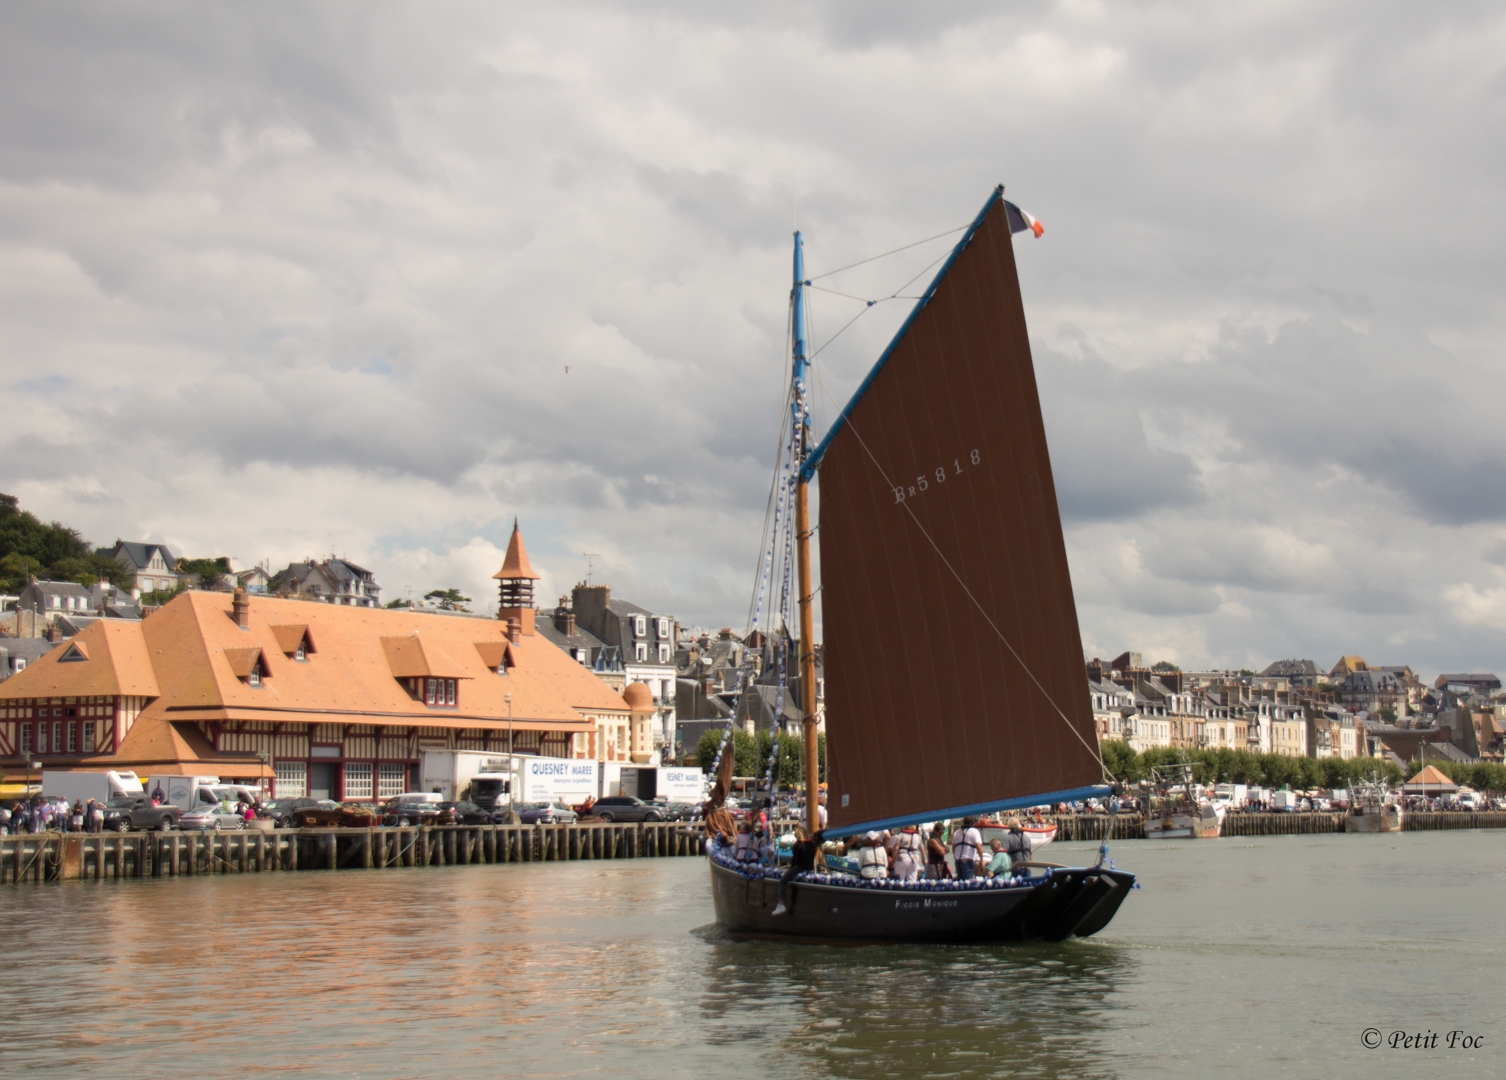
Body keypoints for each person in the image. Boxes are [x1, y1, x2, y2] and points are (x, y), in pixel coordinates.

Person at [771, 826, 821, 916]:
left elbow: (795, 860)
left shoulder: (798, 844)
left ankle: (781, 904)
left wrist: (791, 867)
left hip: (799, 868)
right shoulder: (812, 844)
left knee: (782, 882)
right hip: (810, 868)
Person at [951, 816, 984, 881]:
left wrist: (955, 856)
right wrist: (981, 859)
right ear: (973, 823)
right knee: (968, 882)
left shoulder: (957, 832)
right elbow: (978, 845)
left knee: (960, 881)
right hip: (967, 860)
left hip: (957, 860)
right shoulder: (974, 831)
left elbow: (953, 847)